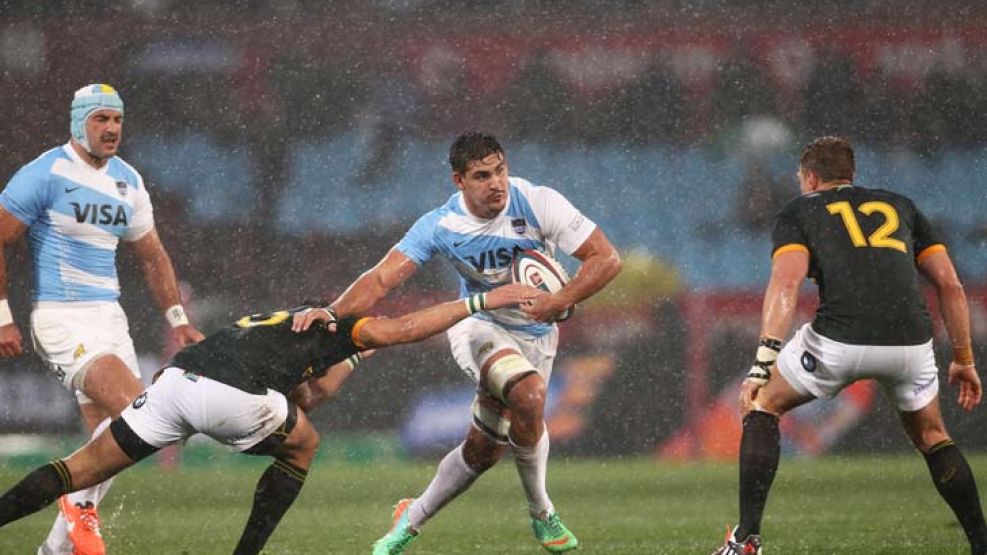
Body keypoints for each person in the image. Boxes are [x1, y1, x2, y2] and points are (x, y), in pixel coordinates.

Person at [0, 284, 540, 554]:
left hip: (174, 382)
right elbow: (406, 328)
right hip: (230, 395)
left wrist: (349, 362)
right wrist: (483, 301)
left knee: (78, 470)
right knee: (304, 446)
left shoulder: (274, 326)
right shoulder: (338, 327)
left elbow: (306, 393)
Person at [295, 130, 622, 554]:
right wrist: (334, 313)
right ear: (459, 181)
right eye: (483, 175)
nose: (497, 183)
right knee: (529, 393)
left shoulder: (538, 201)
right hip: (478, 326)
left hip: (538, 335)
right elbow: (381, 278)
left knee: (483, 451)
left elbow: (607, 259)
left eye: (501, 170)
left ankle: (408, 521)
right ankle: (542, 512)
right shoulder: (441, 225)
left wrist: (558, 300)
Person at [712, 136, 987, 555]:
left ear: (809, 177)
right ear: (850, 173)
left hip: (838, 339)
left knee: (762, 404)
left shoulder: (799, 210)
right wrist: (964, 358)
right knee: (933, 436)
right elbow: (949, 283)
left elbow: (785, 284)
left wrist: (762, 361)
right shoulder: (900, 205)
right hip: (910, 342)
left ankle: (747, 538)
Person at [0, 84, 204, 555]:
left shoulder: (128, 180)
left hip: (111, 319)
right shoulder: (46, 173)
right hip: (61, 318)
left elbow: (153, 256)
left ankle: (55, 547)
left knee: (109, 446)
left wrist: (177, 317)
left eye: (117, 120)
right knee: (141, 413)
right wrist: (4, 317)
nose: (112, 129)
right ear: (78, 122)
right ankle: (80, 511)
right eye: (101, 120)